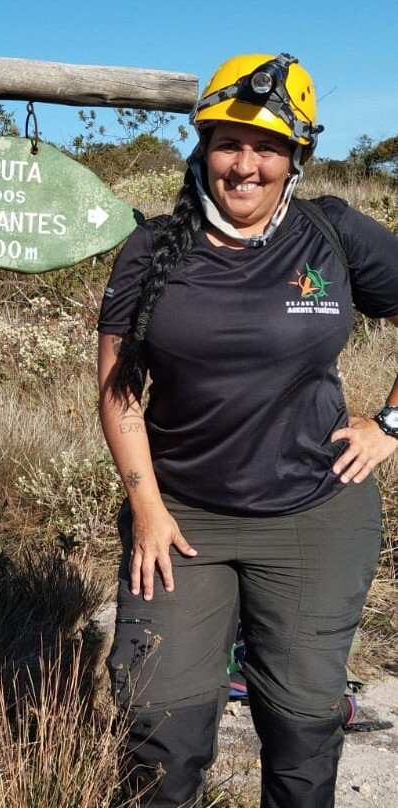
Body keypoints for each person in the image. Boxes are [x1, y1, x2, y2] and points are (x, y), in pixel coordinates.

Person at [97, 52, 398, 808]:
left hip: (316, 515)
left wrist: (392, 422)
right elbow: (119, 393)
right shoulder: (150, 251)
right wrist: (148, 511)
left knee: (301, 723)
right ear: (204, 148)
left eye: (268, 147)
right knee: (160, 724)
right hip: (183, 518)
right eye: (229, 142)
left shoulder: (331, 234)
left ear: (296, 157)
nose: (246, 165)